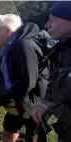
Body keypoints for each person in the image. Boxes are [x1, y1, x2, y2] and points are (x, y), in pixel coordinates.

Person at [0, 14, 48, 142]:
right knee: (7, 135)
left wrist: (0, 100)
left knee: (34, 138)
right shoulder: (9, 46)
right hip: (16, 101)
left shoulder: (24, 45)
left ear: (7, 31)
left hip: (32, 103)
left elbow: (27, 82)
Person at [31, 2, 71, 141]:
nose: (47, 24)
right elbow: (55, 85)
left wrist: (50, 106)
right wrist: (46, 104)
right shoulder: (61, 51)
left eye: (54, 19)